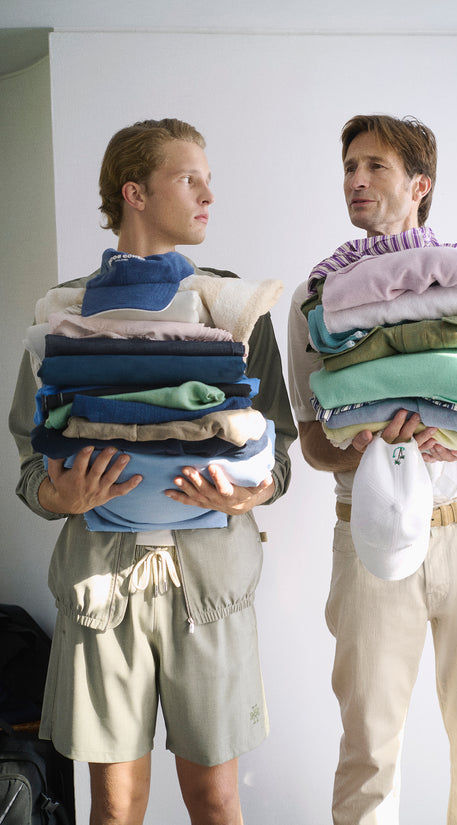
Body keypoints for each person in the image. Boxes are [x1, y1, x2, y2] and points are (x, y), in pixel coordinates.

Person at [10, 118, 296, 825]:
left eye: (208, 179)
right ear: (135, 193)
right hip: (101, 584)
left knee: (216, 798)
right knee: (112, 805)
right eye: (188, 178)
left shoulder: (236, 310)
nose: (207, 195)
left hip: (211, 587)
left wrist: (254, 488)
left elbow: (279, 446)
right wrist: (58, 491)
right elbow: (28, 454)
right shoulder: (64, 317)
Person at [287, 114, 457, 823]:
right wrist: (354, 445)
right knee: (369, 747)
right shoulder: (316, 299)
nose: (356, 181)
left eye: (375, 167)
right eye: (350, 168)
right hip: (369, 536)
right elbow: (311, 438)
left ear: (420, 185)